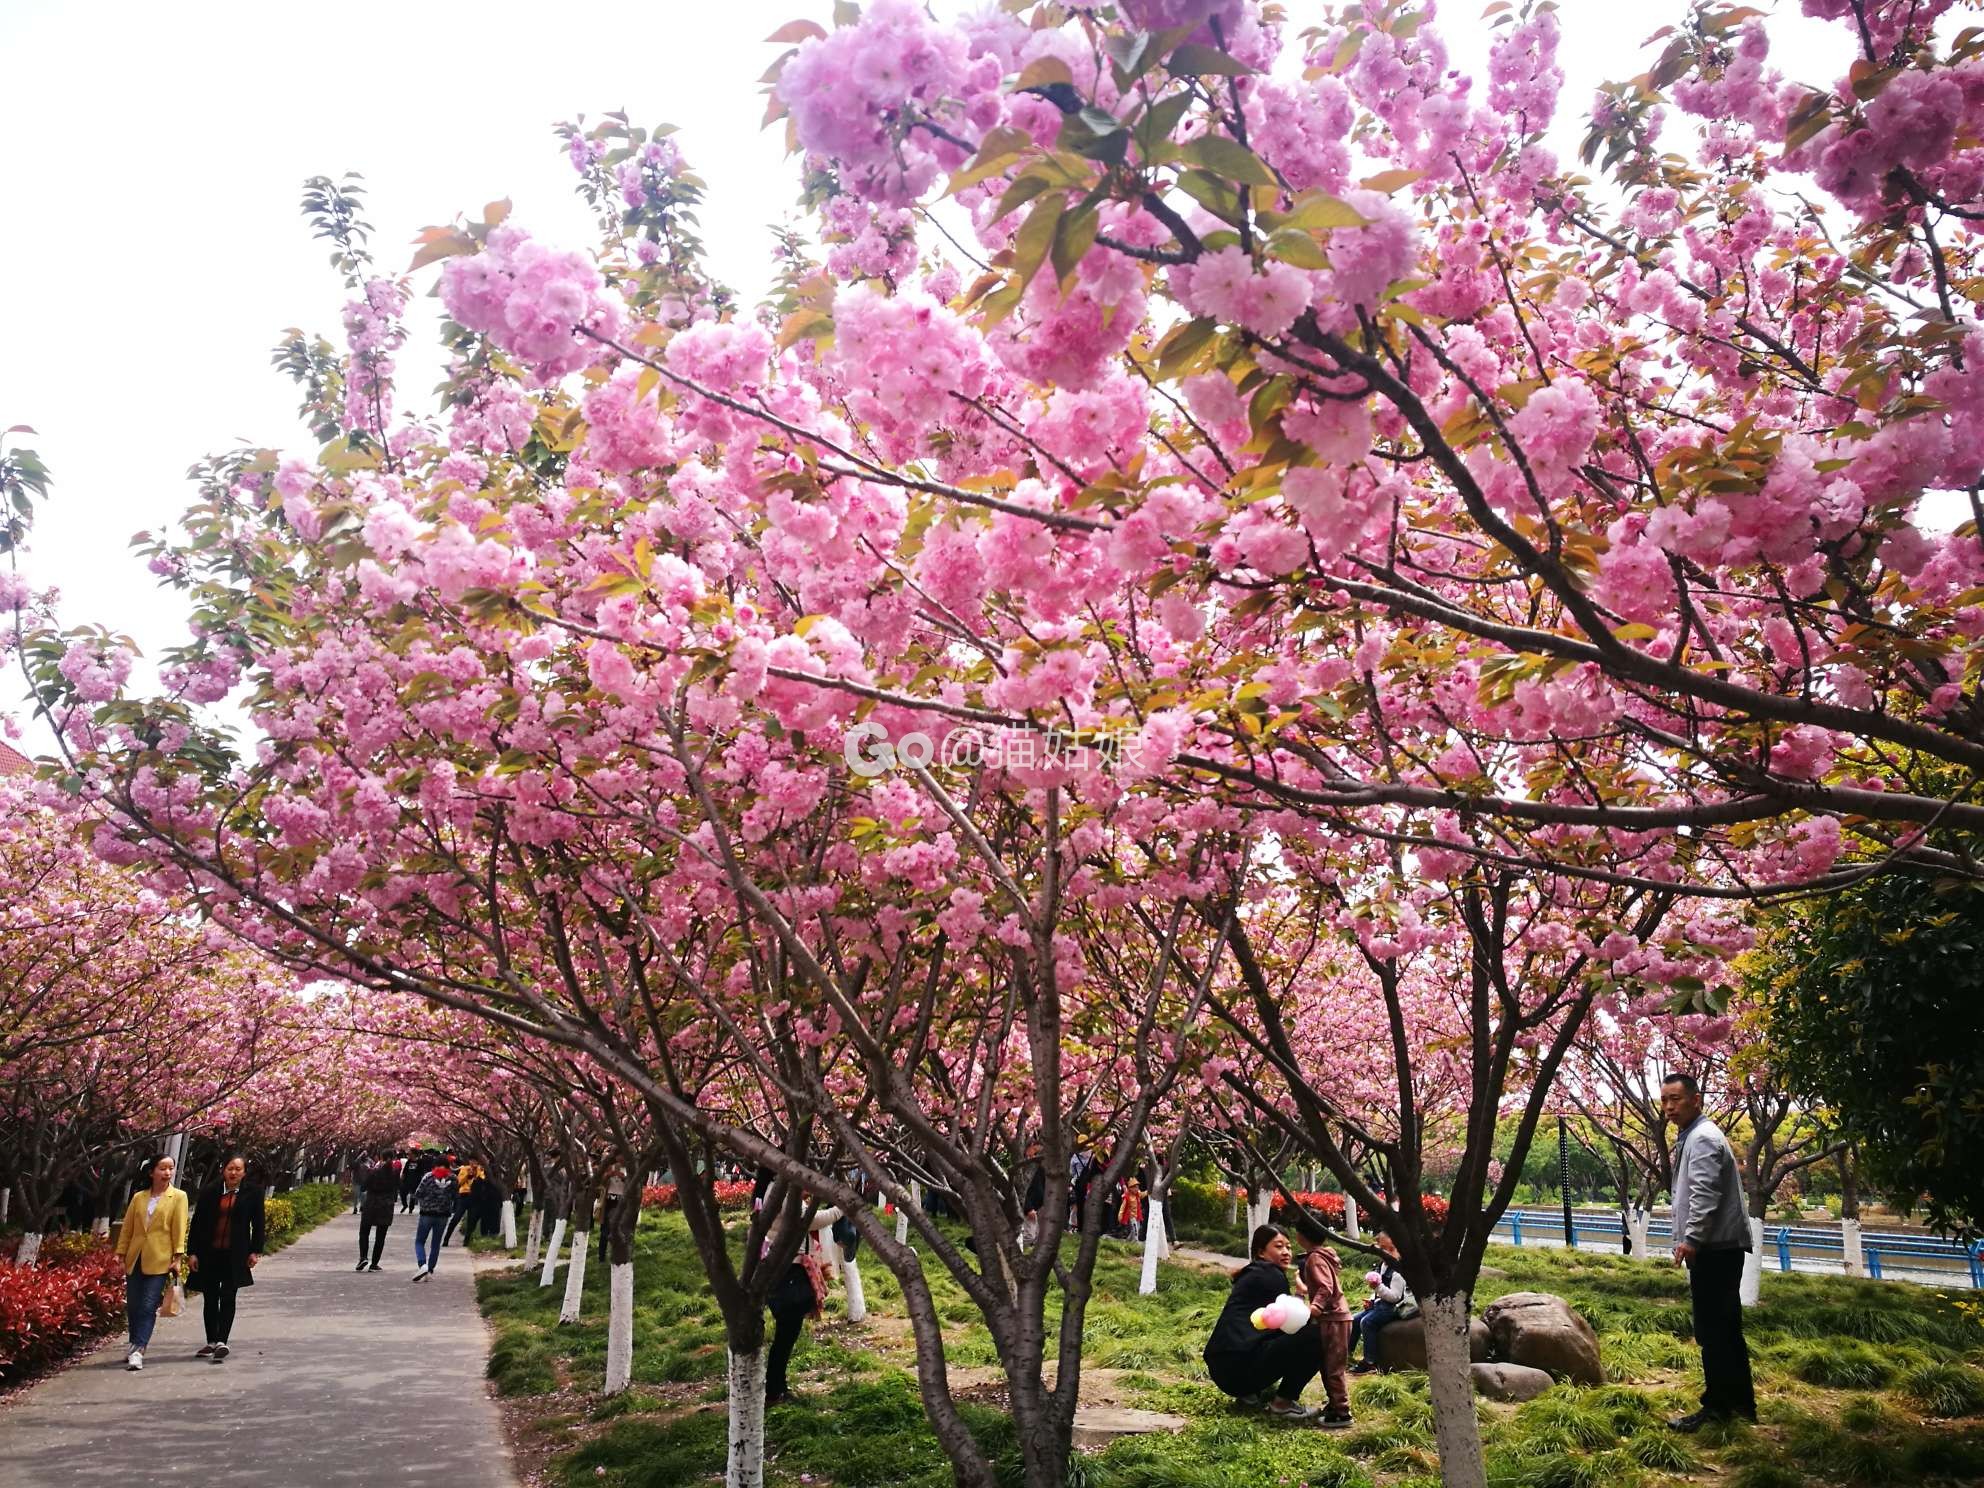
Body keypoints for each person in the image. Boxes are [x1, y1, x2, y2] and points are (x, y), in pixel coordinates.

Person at [1663, 1070, 1757, 1431]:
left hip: (1714, 1248)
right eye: (1665, 1101)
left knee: (1713, 1331)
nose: (1669, 1107)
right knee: (1726, 1328)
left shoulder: (1701, 1138)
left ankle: (1717, 1408)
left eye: (1676, 1099)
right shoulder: (1697, 1135)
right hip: (1720, 1247)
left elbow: (1704, 1195)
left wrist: (1691, 1240)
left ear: (1695, 1099)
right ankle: (1740, 1405)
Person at [1202, 1224, 1324, 1420]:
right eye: (1278, 1246)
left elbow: (1276, 1319)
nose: (1286, 1252)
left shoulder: (1255, 1272)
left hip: (1223, 1367)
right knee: (1318, 1336)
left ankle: (1249, 1395)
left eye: (1288, 1247)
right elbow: (1292, 1323)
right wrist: (1303, 1296)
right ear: (1261, 1252)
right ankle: (1283, 1404)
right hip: (1238, 1370)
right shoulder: (1271, 1275)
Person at [186, 1153, 266, 1363]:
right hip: (209, 1253)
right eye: (230, 1168)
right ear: (224, 1170)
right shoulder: (210, 1191)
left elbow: (258, 1224)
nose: (233, 1173)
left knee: (228, 1296)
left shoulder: (253, 1193)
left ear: (244, 1173)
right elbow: (197, 1223)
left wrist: (255, 1251)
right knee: (210, 1297)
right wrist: (192, 1252)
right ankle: (211, 1340)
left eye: (238, 1169)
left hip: (235, 1254)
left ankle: (222, 1340)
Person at [113, 1154, 189, 1372]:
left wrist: (177, 1257)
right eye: (162, 1168)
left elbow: (179, 1228)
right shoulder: (139, 1197)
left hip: (160, 1259)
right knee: (134, 1305)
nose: (167, 1173)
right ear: (151, 1172)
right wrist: (120, 1253)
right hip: (135, 1257)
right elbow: (128, 1228)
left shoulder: (179, 1197)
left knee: (147, 1305)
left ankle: (139, 1349)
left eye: (170, 1168)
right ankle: (133, 1342)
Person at [1292, 1217, 1354, 1428]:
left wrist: (1315, 1307)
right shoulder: (1324, 1255)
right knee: (1328, 1364)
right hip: (1336, 1317)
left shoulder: (1315, 1259)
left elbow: (1326, 1287)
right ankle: (1335, 1404)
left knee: (1332, 1367)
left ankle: (1342, 1412)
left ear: (1301, 1236)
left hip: (1333, 1318)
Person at [766, 1227, 831, 1405]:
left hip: (787, 1272)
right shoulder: (787, 1200)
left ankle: (778, 1388)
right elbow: (810, 1219)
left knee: (785, 1339)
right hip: (788, 1275)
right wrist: (841, 1209)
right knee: (784, 1339)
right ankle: (774, 1391)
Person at [1349, 1231, 1410, 1374]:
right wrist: (1372, 1299)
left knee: (1367, 1322)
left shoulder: (1398, 1271)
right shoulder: (1383, 1266)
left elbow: (1395, 1296)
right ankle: (1347, 1353)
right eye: (1383, 1249)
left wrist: (1378, 1287)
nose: (1387, 1253)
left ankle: (1370, 1361)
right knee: (1355, 1320)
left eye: (1391, 1249)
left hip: (1392, 1308)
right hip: (1380, 1304)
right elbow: (1379, 1292)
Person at [411, 1162, 456, 1280]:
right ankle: (430, 1270)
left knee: (419, 1241)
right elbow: (456, 1194)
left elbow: (418, 1193)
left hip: (427, 1213)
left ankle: (422, 1264)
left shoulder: (428, 1176)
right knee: (435, 1244)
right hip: (443, 1215)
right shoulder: (453, 1178)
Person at [358, 1149, 400, 1270]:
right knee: (380, 1236)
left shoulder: (373, 1172)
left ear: (381, 1157)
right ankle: (374, 1263)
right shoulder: (394, 1172)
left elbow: (363, 1188)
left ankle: (363, 1257)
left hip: (371, 1204)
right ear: (393, 1158)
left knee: (364, 1232)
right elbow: (398, 1186)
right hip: (386, 1206)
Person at [443, 1158, 481, 1246]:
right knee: (456, 1218)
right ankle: (446, 1238)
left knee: (471, 1220)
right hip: (464, 1196)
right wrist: (468, 1175)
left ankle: (466, 1241)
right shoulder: (464, 1169)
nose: (473, 1163)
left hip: (475, 1197)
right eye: (472, 1161)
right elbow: (459, 1182)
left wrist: (475, 1174)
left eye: (475, 1161)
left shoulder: (480, 1169)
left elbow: (481, 1180)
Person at [1119, 1176, 1145, 1242]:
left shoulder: (1138, 1195)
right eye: (1135, 1187)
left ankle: (1128, 1240)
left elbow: (1143, 1194)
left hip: (1137, 1216)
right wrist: (1120, 1215)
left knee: (1137, 1229)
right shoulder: (1127, 1197)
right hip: (1131, 1216)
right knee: (1135, 1229)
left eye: (1137, 1187)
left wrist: (1148, 1191)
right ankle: (1136, 1241)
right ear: (1130, 1188)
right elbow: (1123, 1207)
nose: (1137, 1189)